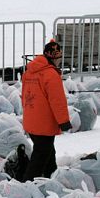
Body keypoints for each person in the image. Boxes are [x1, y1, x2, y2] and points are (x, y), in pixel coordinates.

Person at [21, 40, 72, 181]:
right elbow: (57, 101)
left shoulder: (29, 72)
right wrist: (64, 121)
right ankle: (27, 184)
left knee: (48, 151)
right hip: (44, 122)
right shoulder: (50, 75)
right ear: (54, 57)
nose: (60, 61)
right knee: (41, 154)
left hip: (31, 120)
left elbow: (24, 96)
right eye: (59, 58)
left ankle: (51, 175)